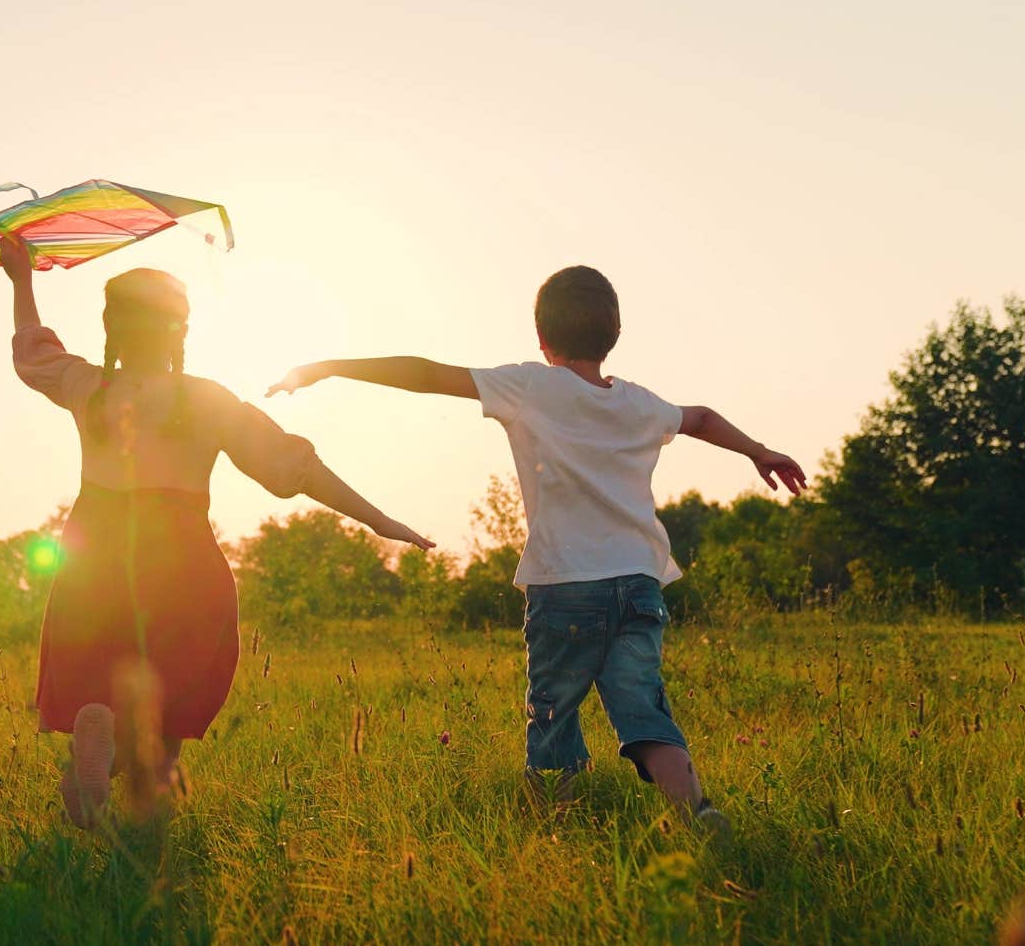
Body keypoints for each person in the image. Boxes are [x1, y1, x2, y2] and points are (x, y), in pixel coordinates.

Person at [268, 265, 805, 836]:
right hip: (639, 582)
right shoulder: (640, 404)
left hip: (565, 586)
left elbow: (427, 374)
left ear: (542, 338)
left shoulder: (530, 386)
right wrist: (759, 451)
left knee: (552, 713)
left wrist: (329, 367)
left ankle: (556, 834)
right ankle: (697, 811)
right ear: (614, 334)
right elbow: (698, 417)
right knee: (644, 710)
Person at [1, 237, 433, 828]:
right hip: (181, 559)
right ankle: (143, 786)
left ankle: (95, 729)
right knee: (169, 704)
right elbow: (295, 467)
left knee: (96, 666)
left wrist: (21, 280)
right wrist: (378, 519)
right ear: (180, 330)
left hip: (96, 550)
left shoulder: (89, 388)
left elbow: (33, 350)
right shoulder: (207, 400)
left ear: (113, 329)